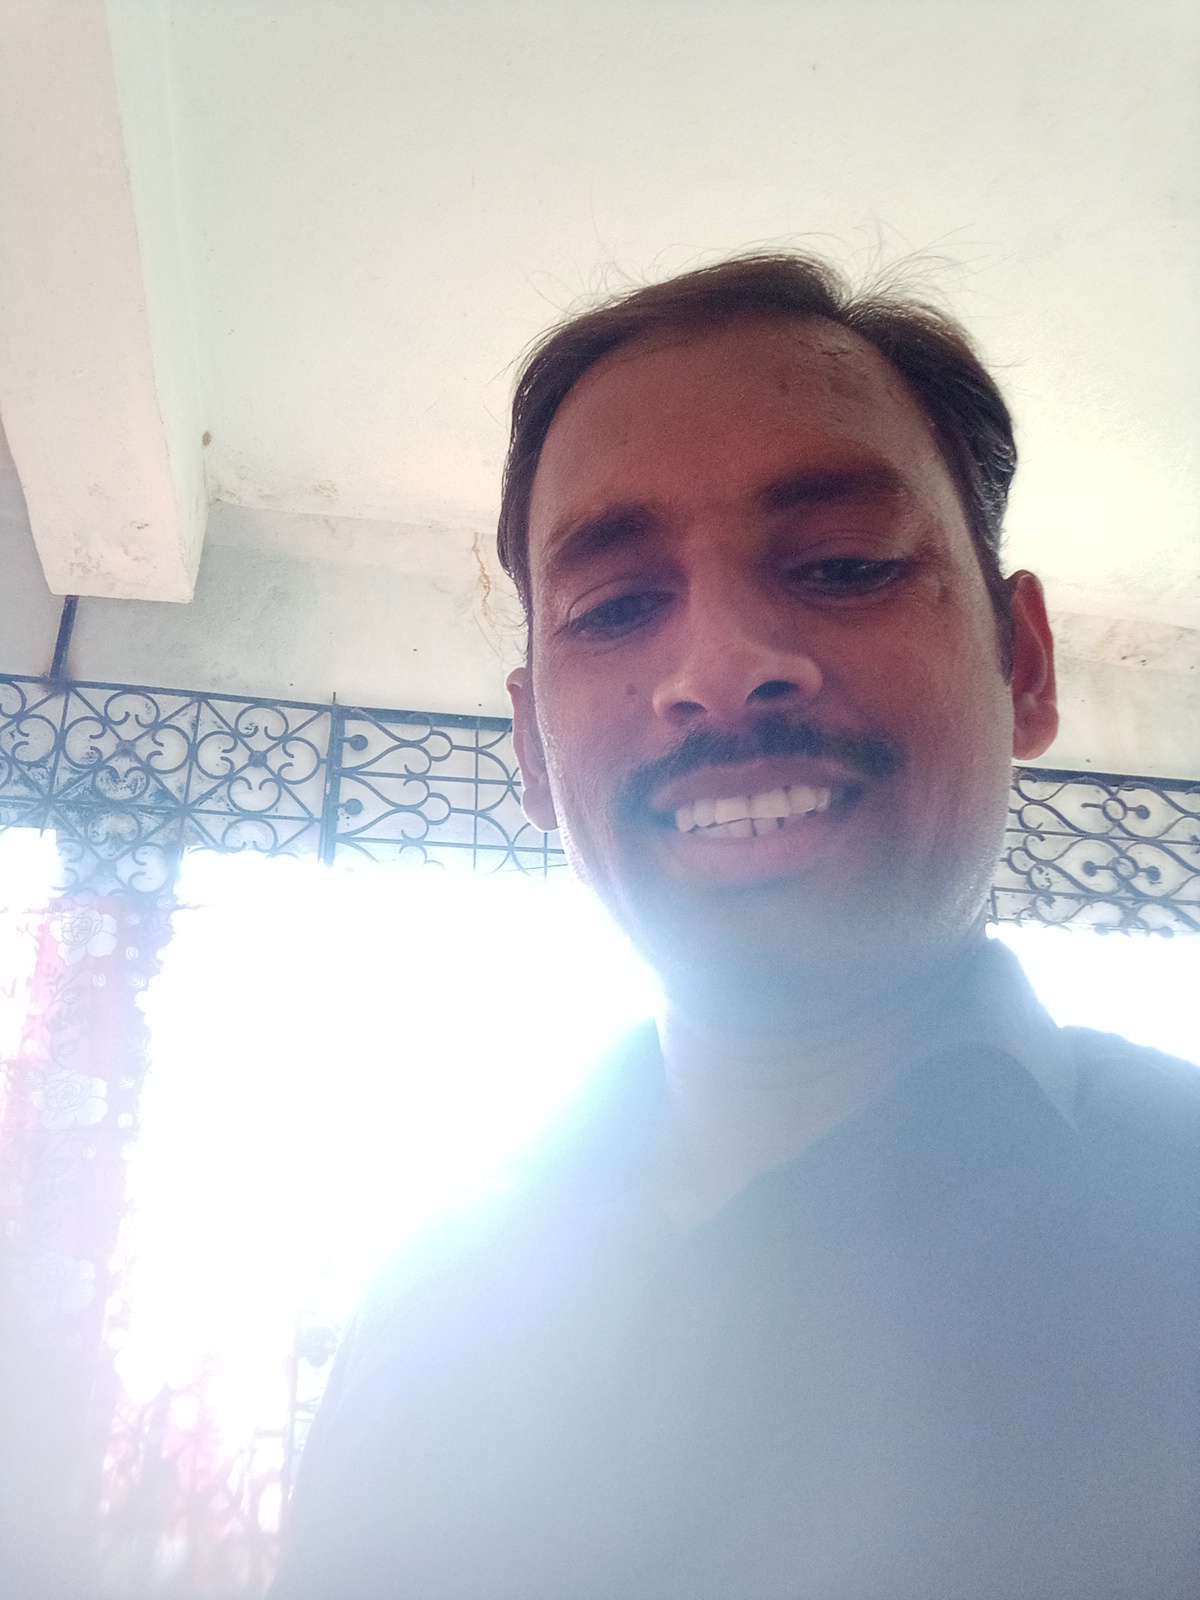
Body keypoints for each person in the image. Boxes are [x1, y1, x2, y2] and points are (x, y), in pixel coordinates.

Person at [271, 255, 1199, 1598]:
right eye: (615, 606)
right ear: (531, 751)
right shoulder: (430, 1307)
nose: (719, 670)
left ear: (1027, 664)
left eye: (844, 564)